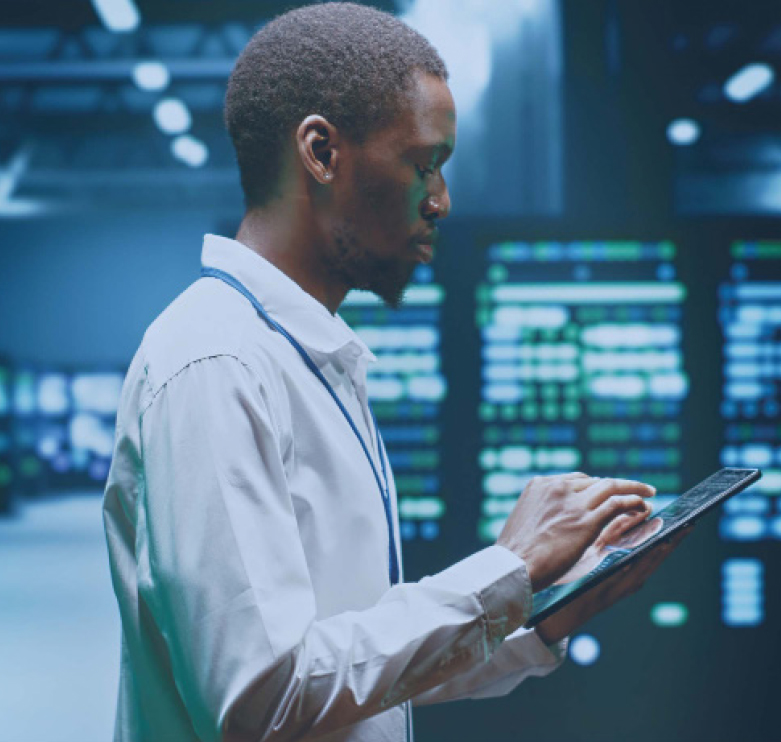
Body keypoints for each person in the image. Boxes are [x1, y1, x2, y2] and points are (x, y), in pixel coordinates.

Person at [102, 4, 685, 741]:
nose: (439, 201)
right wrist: (505, 567)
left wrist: (539, 612)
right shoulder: (218, 362)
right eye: (422, 164)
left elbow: (345, 674)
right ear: (320, 151)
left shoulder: (304, 355)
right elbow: (262, 702)